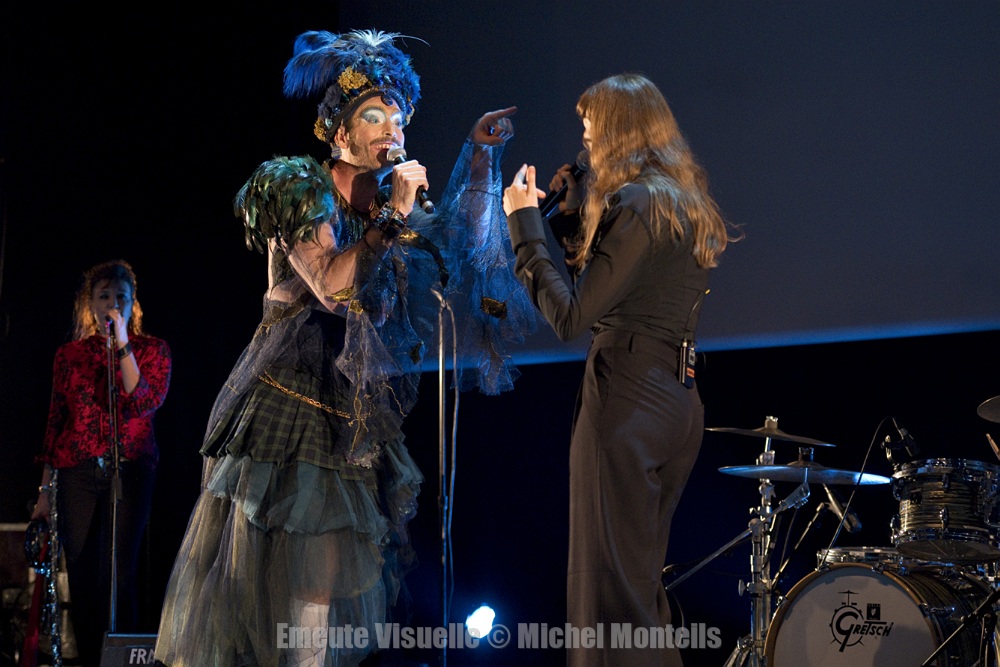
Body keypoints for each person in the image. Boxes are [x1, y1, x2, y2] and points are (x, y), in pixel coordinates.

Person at [153, 29, 533, 667]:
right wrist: (391, 220)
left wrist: (478, 160)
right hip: (291, 394)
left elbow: (460, 250)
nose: (392, 130)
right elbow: (332, 288)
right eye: (375, 116)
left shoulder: (390, 206)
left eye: (399, 119)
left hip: (351, 406)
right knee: (284, 564)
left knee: (326, 572)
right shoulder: (301, 187)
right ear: (338, 132)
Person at [502, 73, 741, 666]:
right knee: (636, 594)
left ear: (618, 129)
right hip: (675, 399)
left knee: (607, 600)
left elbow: (571, 316)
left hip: (628, 395)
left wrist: (524, 226)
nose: (585, 138)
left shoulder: (636, 202)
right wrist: (569, 218)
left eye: (590, 126)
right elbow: (616, 288)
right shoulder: (680, 200)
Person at [31, 259, 172, 667]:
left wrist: (122, 342)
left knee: (118, 574)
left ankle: (120, 661)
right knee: (80, 571)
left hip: (129, 468)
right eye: (104, 296)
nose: (112, 304)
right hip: (76, 470)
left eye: (120, 297)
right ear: (90, 304)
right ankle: (91, 658)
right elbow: (56, 421)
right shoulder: (69, 355)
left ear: (133, 303)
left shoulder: (153, 350)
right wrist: (44, 490)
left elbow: (142, 401)